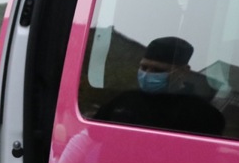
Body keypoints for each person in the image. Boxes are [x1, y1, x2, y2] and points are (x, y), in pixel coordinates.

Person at [95, 35, 225, 136]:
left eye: (158, 70)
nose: (147, 75)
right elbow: (94, 134)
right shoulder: (123, 101)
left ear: (183, 72)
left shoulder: (203, 115)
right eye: (144, 67)